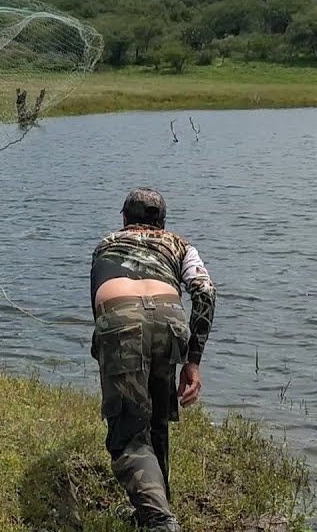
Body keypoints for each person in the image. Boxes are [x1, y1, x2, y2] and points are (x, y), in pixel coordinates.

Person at [89, 187, 217, 532]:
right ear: (162, 222)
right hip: (169, 316)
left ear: (124, 219)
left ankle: (159, 520)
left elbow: (98, 309)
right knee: (157, 419)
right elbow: (205, 291)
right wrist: (193, 359)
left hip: (121, 316)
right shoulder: (180, 244)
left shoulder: (107, 243)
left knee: (130, 431)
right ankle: (157, 510)